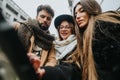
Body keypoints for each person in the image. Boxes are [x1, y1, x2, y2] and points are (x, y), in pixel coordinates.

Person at [73, 0, 120, 80]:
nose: (77, 16)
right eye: (76, 14)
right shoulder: (85, 37)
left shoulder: (103, 30)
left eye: (82, 11)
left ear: (92, 9)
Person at [27, 14, 81, 80]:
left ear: (72, 29)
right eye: (61, 27)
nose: (63, 29)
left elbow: (72, 70)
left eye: (67, 27)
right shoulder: (54, 45)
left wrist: (45, 72)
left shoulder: (77, 45)